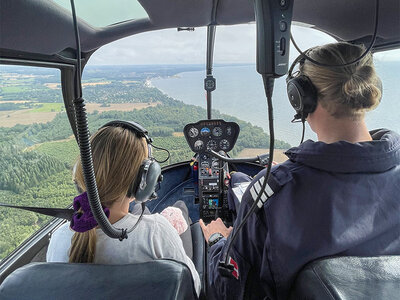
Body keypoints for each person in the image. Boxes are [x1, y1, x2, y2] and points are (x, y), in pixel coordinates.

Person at [200, 42, 400, 300]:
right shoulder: (275, 188)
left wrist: (217, 240)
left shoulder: (271, 191)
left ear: (301, 97)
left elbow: (228, 291)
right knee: (239, 179)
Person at [46, 122, 200, 296]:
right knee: (179, 209)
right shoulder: (156, 232)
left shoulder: (60, 238)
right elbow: (193, 287)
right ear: (145, 181)